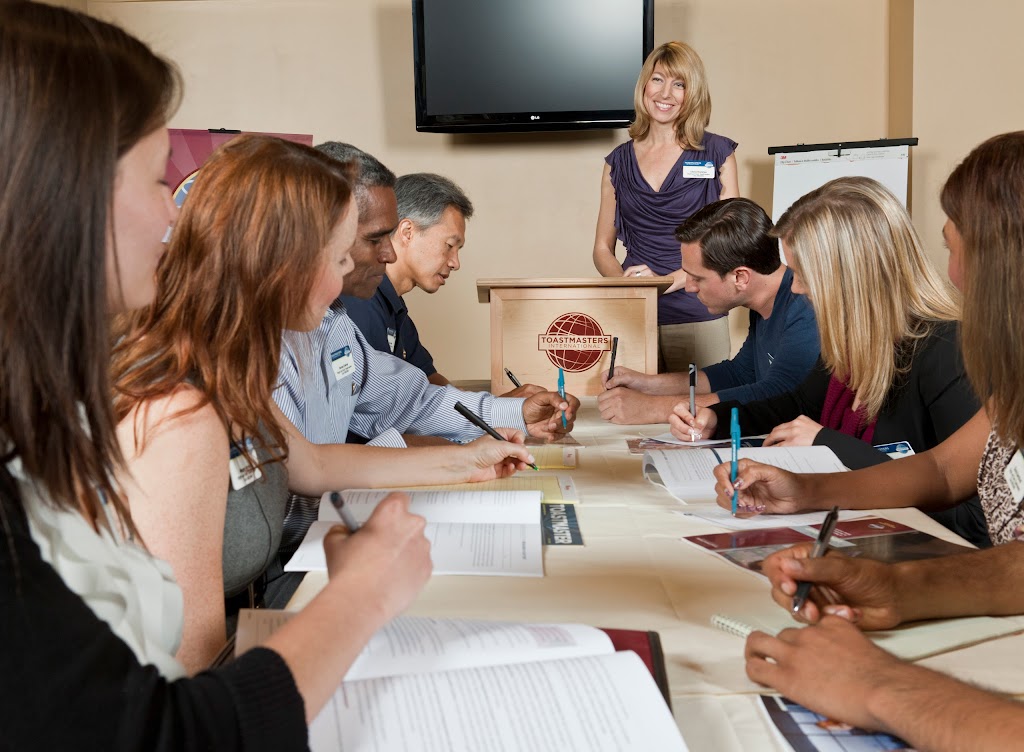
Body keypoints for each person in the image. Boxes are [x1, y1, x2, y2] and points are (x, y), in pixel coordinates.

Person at [0, 3, 428, 747]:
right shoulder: (175, 404)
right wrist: (362, 593)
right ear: (61, 193)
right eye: (152, 176)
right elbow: (167, 721)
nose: (174, 213)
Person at [111, 134, 538, 673]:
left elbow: (312, 463)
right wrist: (360, 597)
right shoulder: (179, 410)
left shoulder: (228, 360)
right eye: (339, 257)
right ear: (281, 260)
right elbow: (195, 688)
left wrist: (467, 458)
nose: (346, 278)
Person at [716, 132, 1024, 750]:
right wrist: (895, 585)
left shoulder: (945, 352)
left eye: (961, 254)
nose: (955, 277)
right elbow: (941, 473)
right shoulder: (1014, 390)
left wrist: (882, 687)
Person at [274, 141, 577, 547]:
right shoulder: (263, 342)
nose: (387, 255)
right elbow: (292, 501)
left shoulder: (336, 324)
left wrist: (515, 414)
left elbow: (418, 400)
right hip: (299, 556)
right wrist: (440, 457)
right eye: (373, 238)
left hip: (329, 531)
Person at [672, 177, 986, 546]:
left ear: (851, 276)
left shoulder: (949, 352)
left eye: (803, 275)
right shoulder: (855, 338)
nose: (797, 289)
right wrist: (720, 417)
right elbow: (800, 403)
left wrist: (829, 445)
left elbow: (972, 519)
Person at [597, 198, 818, 424]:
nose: (689, 287)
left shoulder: (806, 305)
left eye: (698, 278)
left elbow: (779, 396)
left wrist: (654, 408)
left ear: (740, 277)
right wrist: (647, 384)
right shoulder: (763, 301)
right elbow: (738, 374)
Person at [592, 41, 739, 373]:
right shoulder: (617, 162)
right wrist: (629, 287)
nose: (666, 93)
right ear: (644, 85)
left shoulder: (717, 153)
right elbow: (602, 248)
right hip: (634, 318)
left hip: (698, 311)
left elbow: (731, 242)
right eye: (658, 79)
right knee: (632, 418)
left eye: (680, 84)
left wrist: (668, 281)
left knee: (703, 414)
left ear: (693, 93)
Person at [343, 171, 473, 387]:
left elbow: (431, 382)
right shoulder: (361, 302)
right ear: (407, 232)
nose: (455, 263)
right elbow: (379, 403)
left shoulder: (396, 310)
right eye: (449, 246)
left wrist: (503, 408)